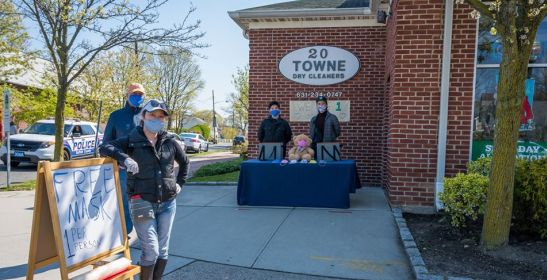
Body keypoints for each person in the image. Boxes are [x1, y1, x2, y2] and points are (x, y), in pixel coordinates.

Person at [100, 99, 189, 280]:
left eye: (160, 117)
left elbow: (185, 162)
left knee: (163, 250)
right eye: (152, 115)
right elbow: (105, 147)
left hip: (167, 202)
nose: (156, 119)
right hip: (141, 201)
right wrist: (125, 158)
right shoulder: (132, 139)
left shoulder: (169, 141)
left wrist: (180, 183)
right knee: (151, 251)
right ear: (143, 116)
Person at [103, 83, 147, 235]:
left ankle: (145, 234)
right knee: (124, 202)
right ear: (127, 95)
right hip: (123, 170)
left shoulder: (147, 115)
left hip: (145, 169)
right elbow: (106, 144)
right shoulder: (116, 116)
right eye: (134, 94)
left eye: (141, 94)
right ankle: (125, 233)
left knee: (143, 202)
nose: (138, 97)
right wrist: (120, 160)